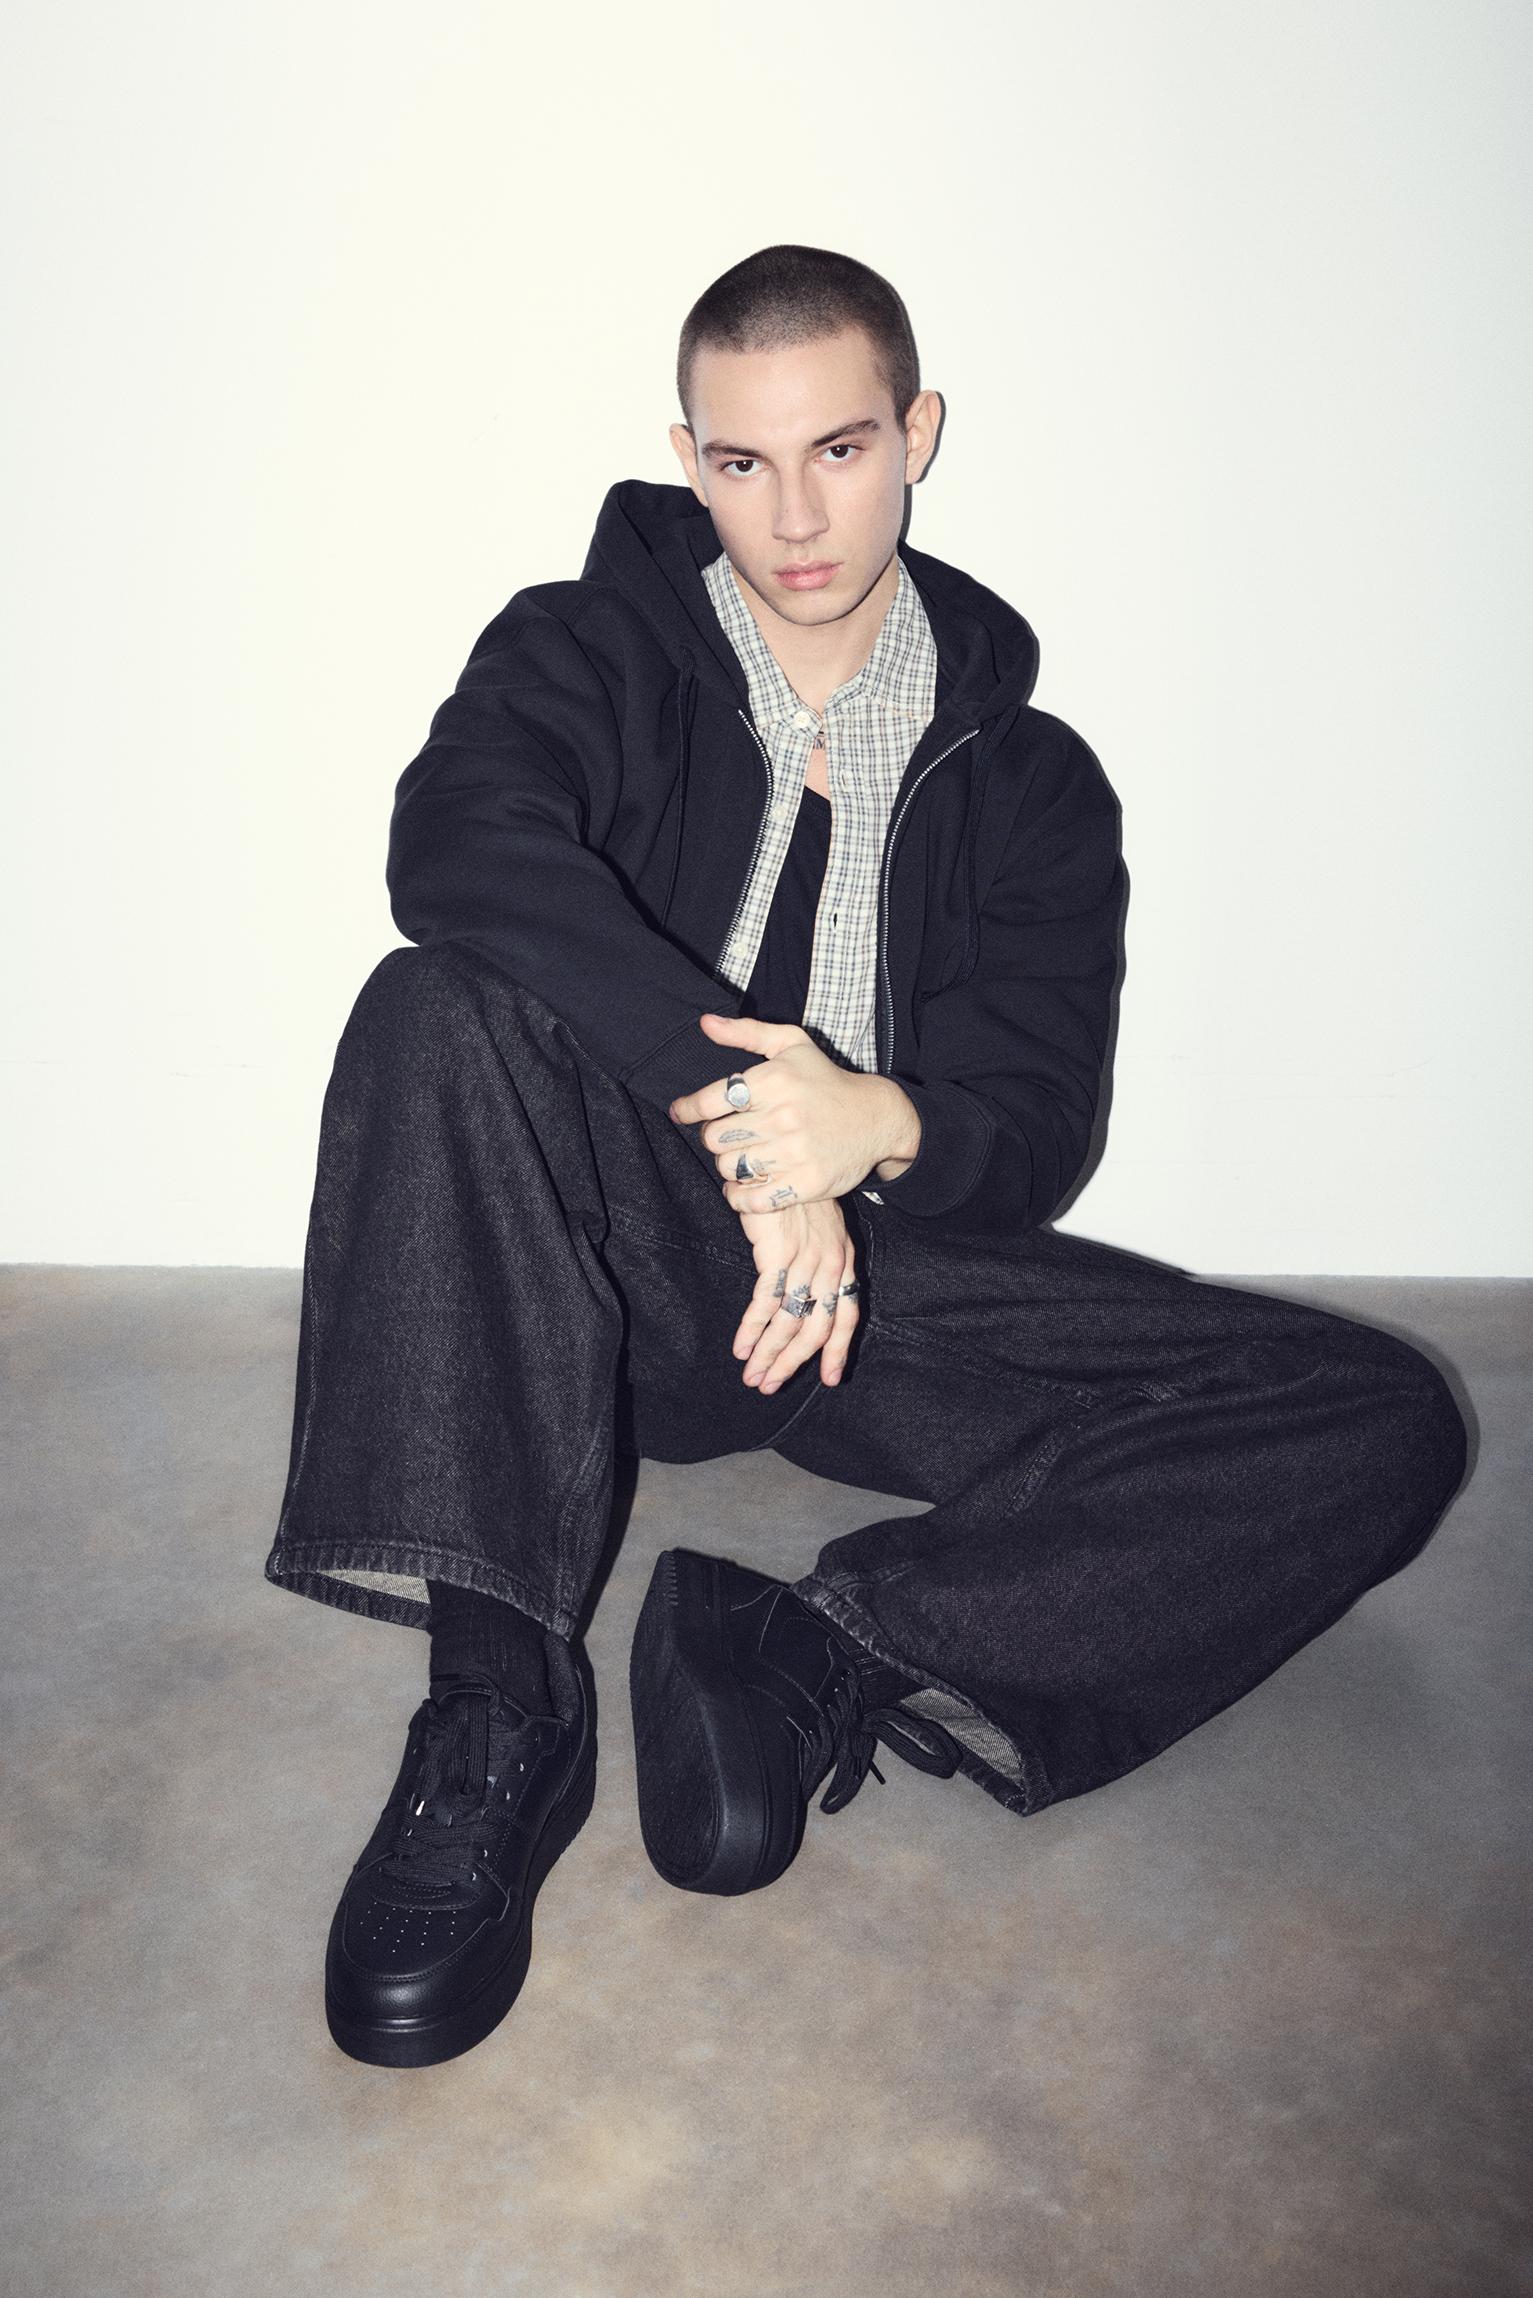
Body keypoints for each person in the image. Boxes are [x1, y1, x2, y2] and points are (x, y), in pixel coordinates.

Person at [265, 244, 1469, 2069]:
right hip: (617, 1261)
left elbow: (1033, 1122)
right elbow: (456, 847)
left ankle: (822, 1644)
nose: (794, 516)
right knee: (433, 1002)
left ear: (917, 434)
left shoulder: (1030, 781)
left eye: (837, 450)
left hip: (875, 1298)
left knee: (1379, 1415)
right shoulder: (585, 649)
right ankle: (497, 1705)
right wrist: (766, 1142)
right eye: (742, 464)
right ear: (689, 460)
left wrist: (876, 1127)